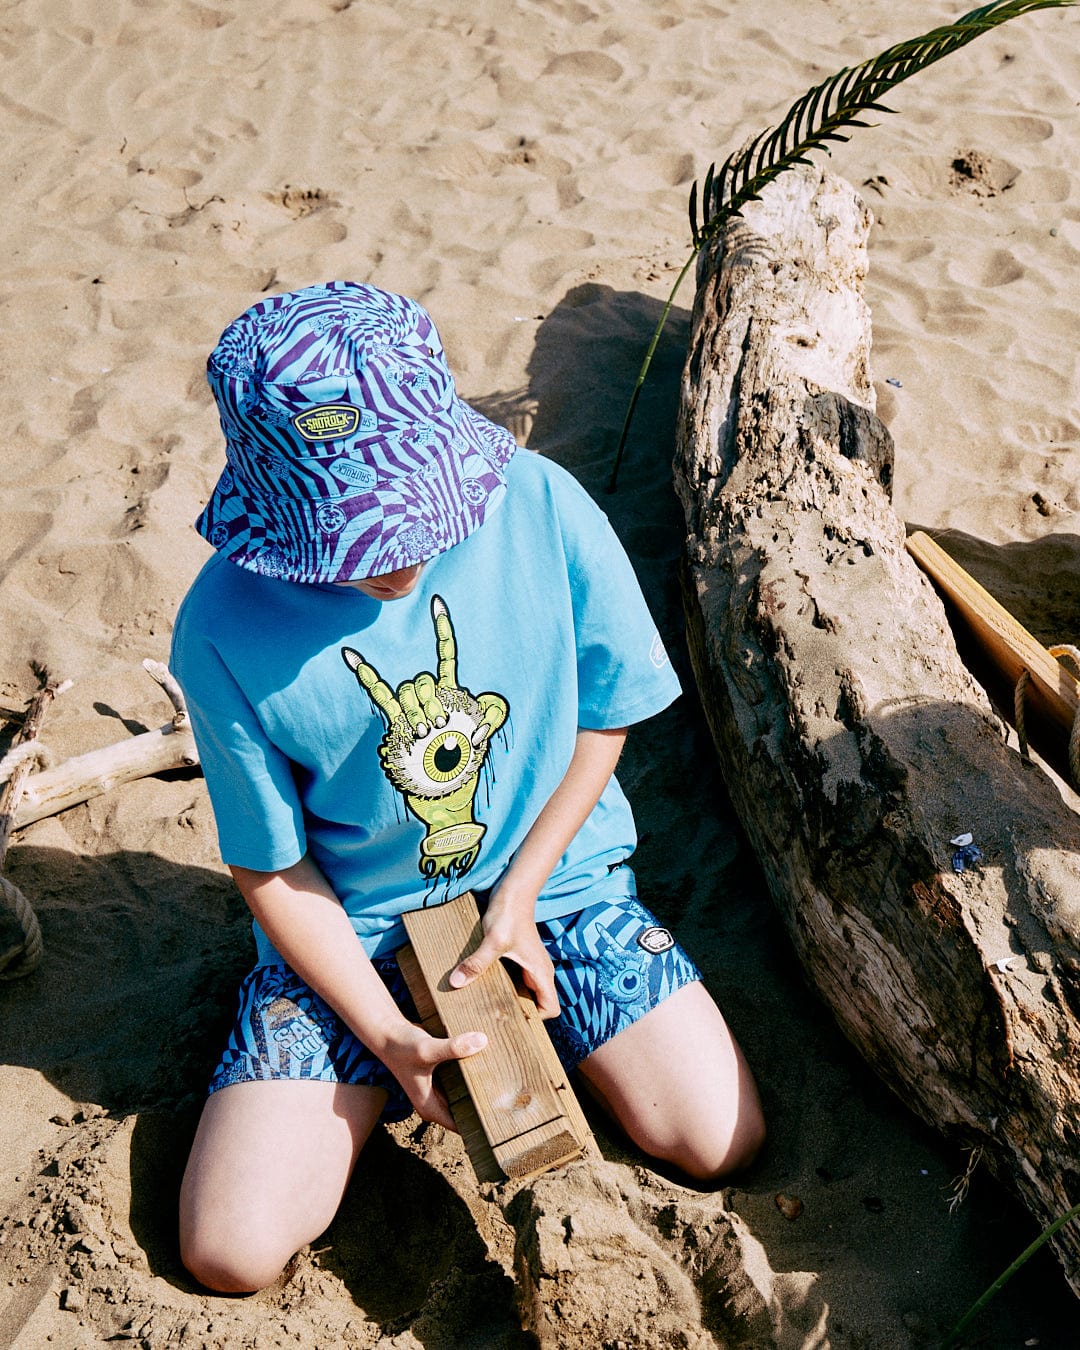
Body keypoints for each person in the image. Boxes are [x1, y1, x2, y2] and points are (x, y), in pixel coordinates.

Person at [170, 280, 764, 1294]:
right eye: (356, 541)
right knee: (229, 1250)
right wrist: (386, 1030)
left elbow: (604, 715)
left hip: (557, 886)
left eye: (413, 524)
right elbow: (271, 869)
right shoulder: (222, 626)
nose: (398, 563)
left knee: (718, 1138)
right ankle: (383, 1073)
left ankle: (556, 1016)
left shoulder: (538, 505)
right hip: (352, 937)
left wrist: (525, 898)